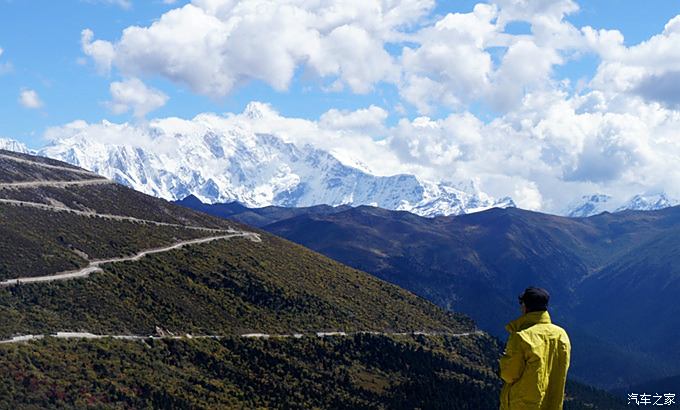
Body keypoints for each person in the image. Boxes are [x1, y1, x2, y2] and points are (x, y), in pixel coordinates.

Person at [499, 287, 571, 410]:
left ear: (525, 306)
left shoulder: (521, 336)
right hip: (552, 404)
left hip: (523, 405)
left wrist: (503, 363)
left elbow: (509, 375)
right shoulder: (561, 335)